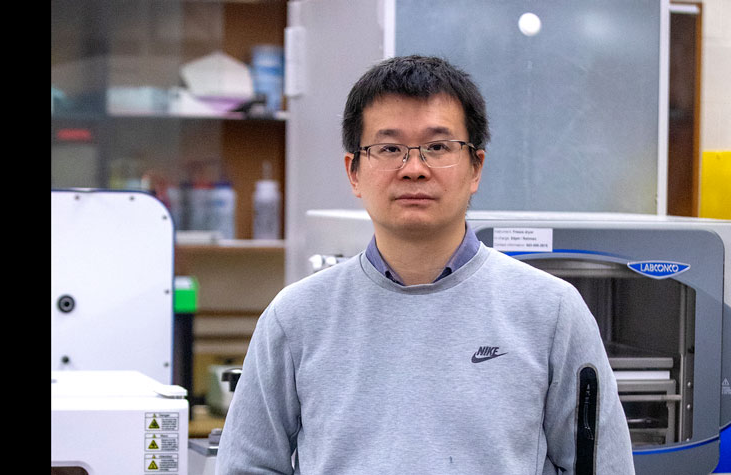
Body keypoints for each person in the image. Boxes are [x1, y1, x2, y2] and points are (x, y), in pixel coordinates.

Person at [216, 55, 636, 474]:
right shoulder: (295, 318)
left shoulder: (552, 311)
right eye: (389, 148)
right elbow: (247, 466)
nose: (413, 168)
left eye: (437, 147)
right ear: (354, 172)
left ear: (476, 167)